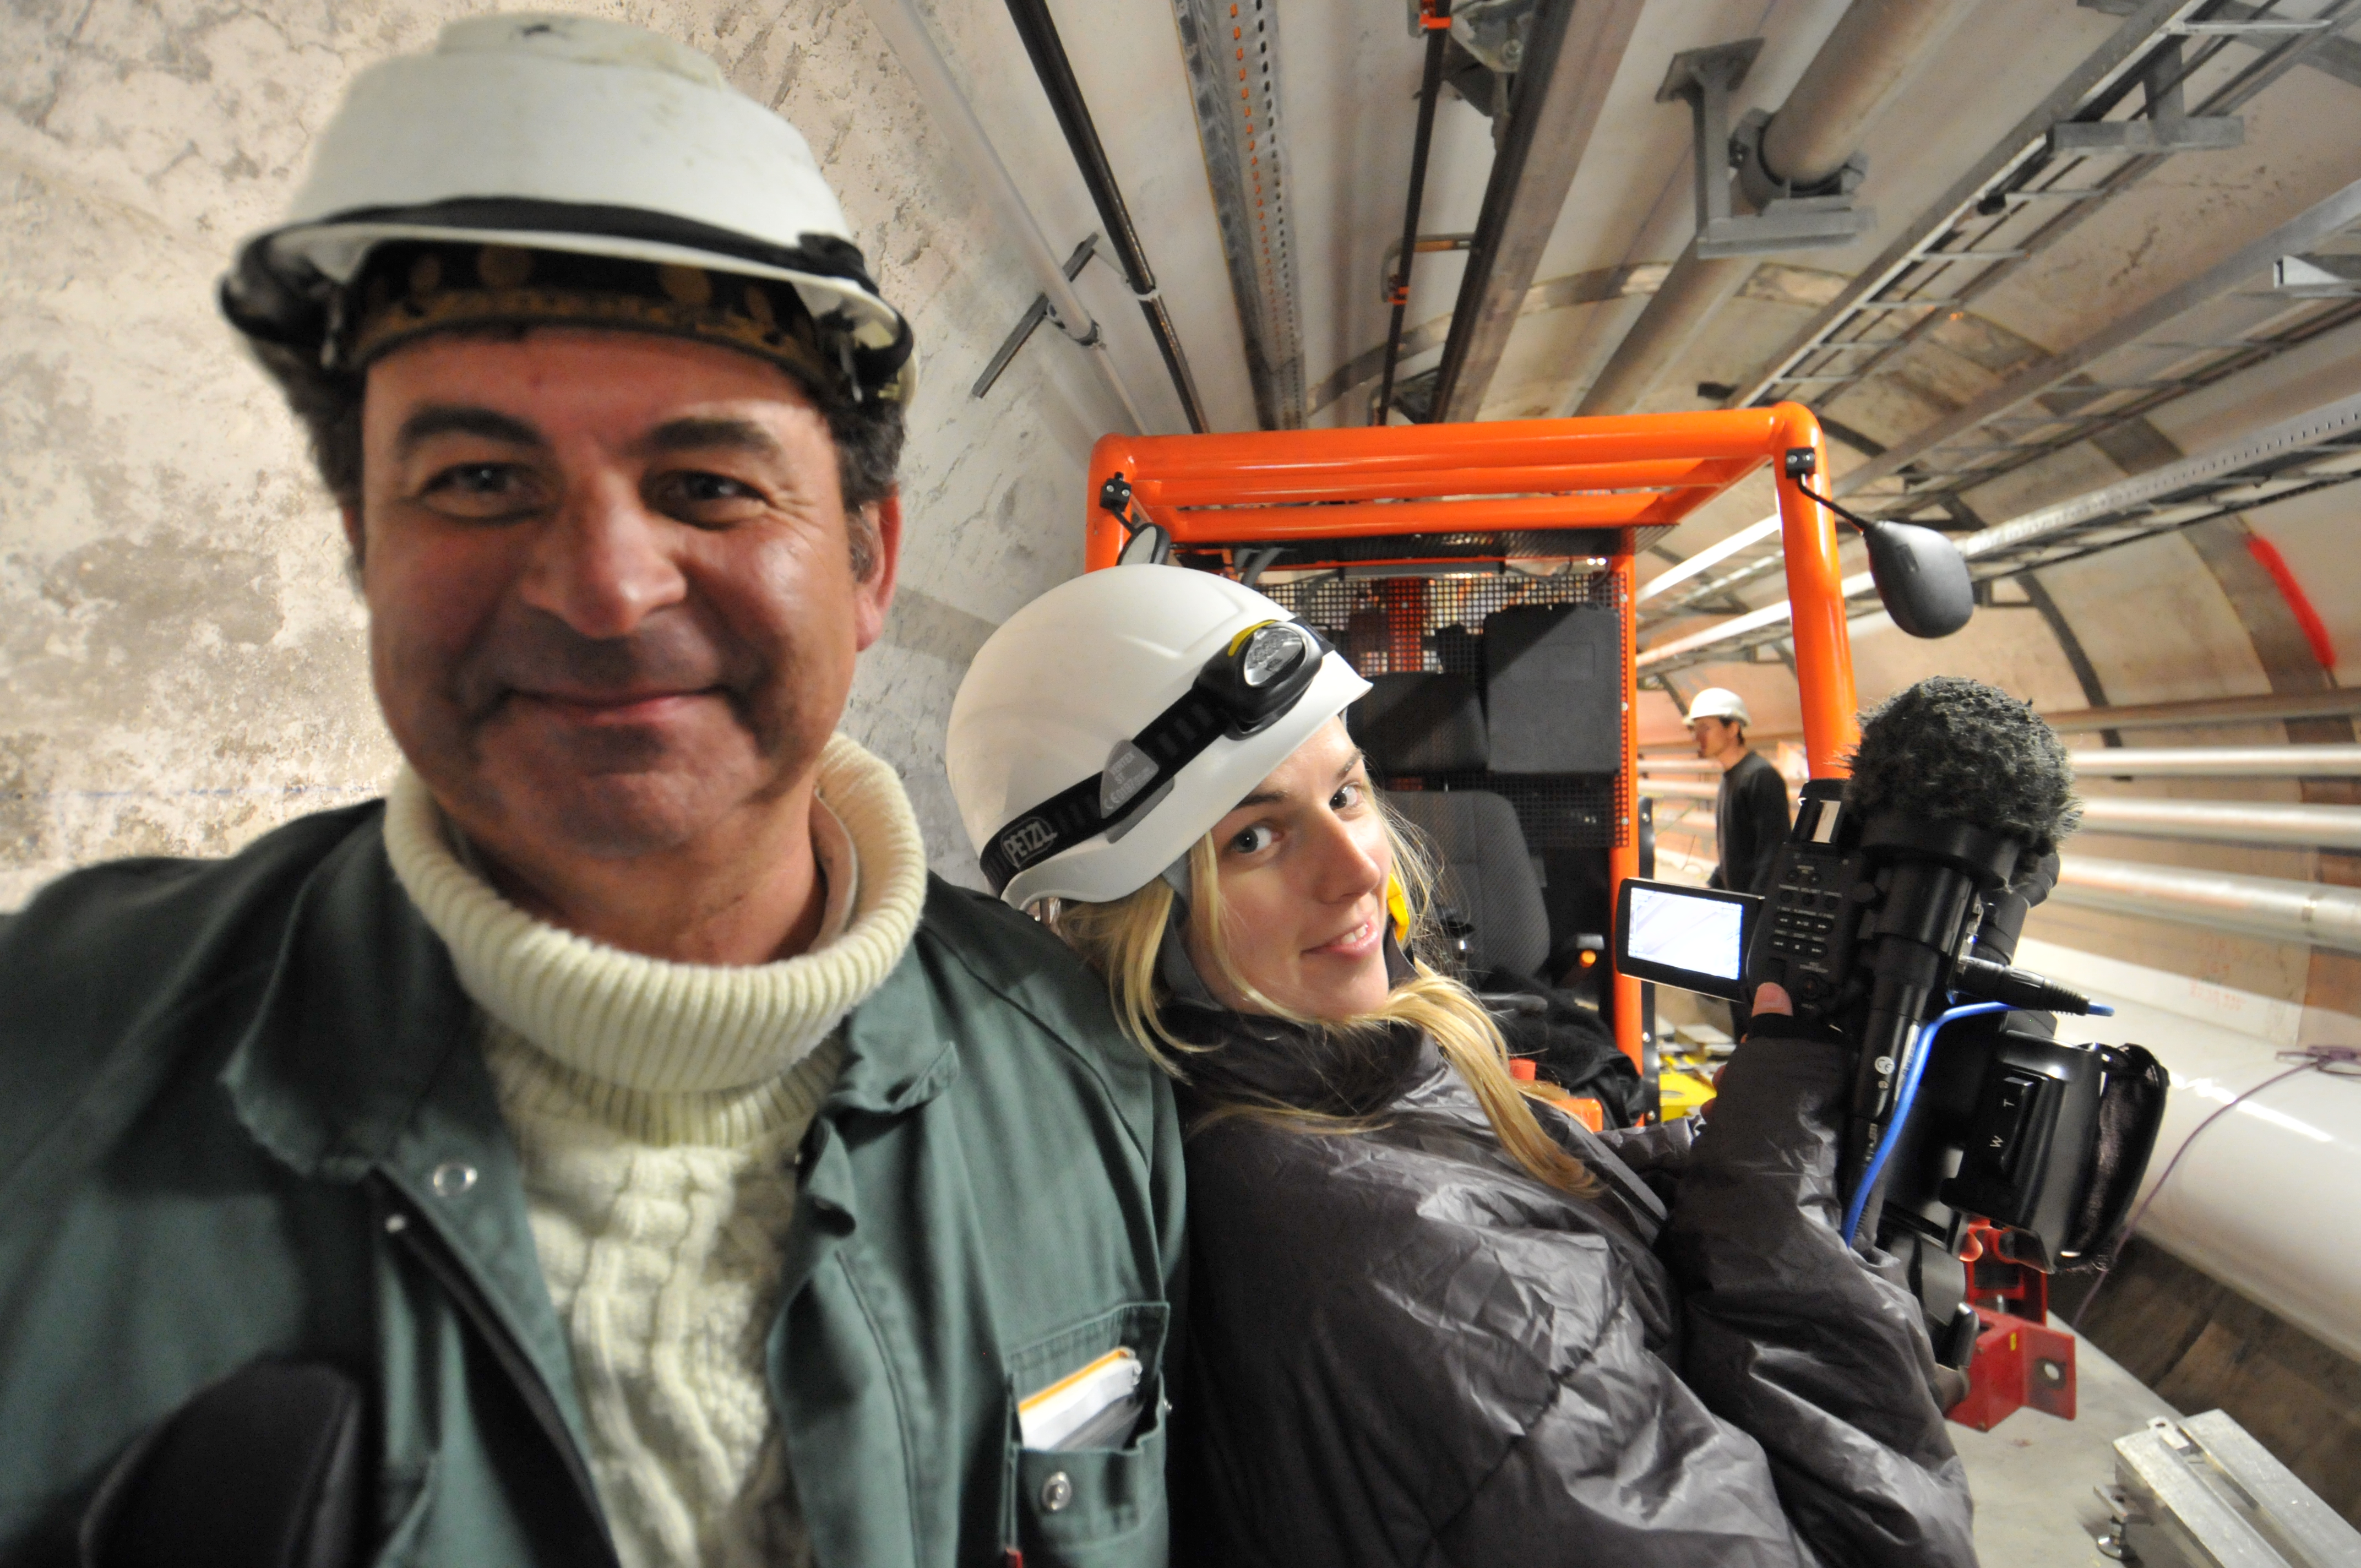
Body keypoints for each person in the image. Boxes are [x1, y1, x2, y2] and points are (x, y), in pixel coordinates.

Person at [0, 19, 1181, 1566]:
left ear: (872, 558)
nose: (609, 589)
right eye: (480, 481)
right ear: (365, 544)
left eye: (708, 484)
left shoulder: (1087, 1084)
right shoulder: (49, 1078)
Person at [946, 565, 1975, 1567]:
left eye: (1345, 791)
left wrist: (1751, 1128)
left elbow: (1537, 1184)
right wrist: (1775, 1203)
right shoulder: (1403, 1262)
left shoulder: (1321, 1087)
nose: (1356, 868)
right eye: (1252, 836)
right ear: (1130, 921)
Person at [1689, 685, 1792, 897]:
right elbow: (1735, 851)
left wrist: (1753, 905)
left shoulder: (1761, 777)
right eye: (1695, 729)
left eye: (1705, 728)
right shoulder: (1731, 777)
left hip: (1755, 905)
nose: (1697, 737)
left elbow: (1773, 854)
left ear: (1733, 729)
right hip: (1739, 902)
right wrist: (1713, 885)